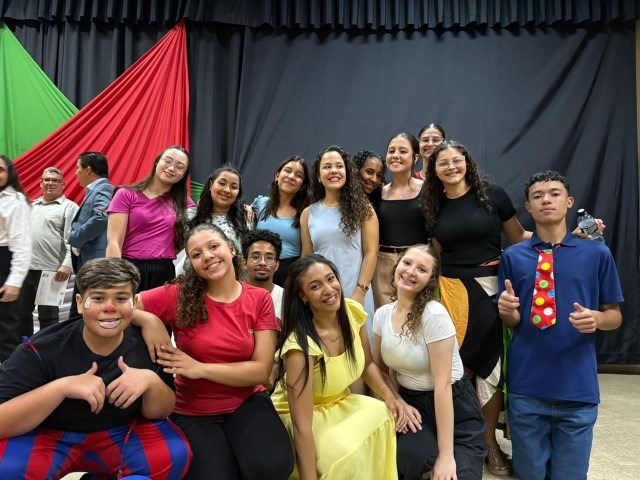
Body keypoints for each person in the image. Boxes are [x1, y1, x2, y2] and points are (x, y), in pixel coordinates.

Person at [0, 258, 192, 479]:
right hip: (49, 433)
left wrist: (151, 382)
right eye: (98, 298)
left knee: (173, 455)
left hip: (121, 433)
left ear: (134, 302)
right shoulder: (41, 349)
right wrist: (61, 388)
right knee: (7, 468)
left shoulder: (149, 344)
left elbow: (162, 411)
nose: (109, 308)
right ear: (80, 303)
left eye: (121, 298)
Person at [134, 223, 294, 480]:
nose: (207, 256)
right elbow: (121, 306)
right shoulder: (178, 295)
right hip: (193, 410)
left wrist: (199, 369)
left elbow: (260, 371)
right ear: (192, 264)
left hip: (246, 401)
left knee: (273, 467)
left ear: (231, 249)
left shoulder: (258, 299)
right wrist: (147, 320)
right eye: (197, 254)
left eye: (213, 246)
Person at [497, 170, 623, 480]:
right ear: (528, 207)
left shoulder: (597, 254)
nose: (546, 200)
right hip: (526, 386)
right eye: (537, 196)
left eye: (554, 193)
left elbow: (615, 315)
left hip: (577, 388)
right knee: (529, 473)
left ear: (569, 202)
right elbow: (513, 321)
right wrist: (507, 311)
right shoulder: (513, 257)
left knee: (571, 474)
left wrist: (597, 319)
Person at [420, 140, 530, 476]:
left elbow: (519, 236)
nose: (451, 167)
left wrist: (565, 237)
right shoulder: (433, 205)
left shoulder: (493, 195)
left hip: (491, 288)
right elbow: (435, 254)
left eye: (456, 160)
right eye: (443, 163)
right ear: (434, 171)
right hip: (450, 292)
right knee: (455, 369)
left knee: (491, 368)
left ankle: (489, 443)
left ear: (466, 162)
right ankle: (458, 441)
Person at [271, 254, 404, 480]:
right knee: (344, 451)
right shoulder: (300, 348)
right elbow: (302, 426)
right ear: (303, 296)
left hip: (338, 402)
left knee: (382, 414)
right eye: (315, 286)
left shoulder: (351, 313)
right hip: (303, 418)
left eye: (330, 278)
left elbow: (367, 365)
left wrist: (390, 397)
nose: (329, 289)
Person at [373, 244, 486, 480]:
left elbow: (443, 386)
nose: (411, 271)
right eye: (407, 263)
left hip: (454, 404)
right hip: (413, 402)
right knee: (409, 458)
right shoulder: (382, 315)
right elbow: (380, 371)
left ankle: (447, 452)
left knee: (457, 475)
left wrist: (446, 455)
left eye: (422, 269)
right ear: (397, 265)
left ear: (430, 280)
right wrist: (399, 402)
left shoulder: (434, 315)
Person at [300, 145, 378, 337]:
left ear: (347, 172)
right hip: (321, 294)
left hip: (355, 290)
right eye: (327, 167)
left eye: (339, 166)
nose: (334, 171)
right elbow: (306, 257)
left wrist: (360, 291)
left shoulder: (364, 209)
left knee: (360, 347)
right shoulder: (308, 213)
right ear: (319, 176)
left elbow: (371, 252)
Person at [106, 146, 195, 292]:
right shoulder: (126, 194)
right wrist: (115, 277)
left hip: (164, 272)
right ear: (157, 161)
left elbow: (193, 234)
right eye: (168, 161)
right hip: (129, 268)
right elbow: (114, 241)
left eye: (180, 167)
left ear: (184, 174)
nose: (171, 168)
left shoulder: (185, 203)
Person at [16, 167, 79, 336]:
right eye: (47, 180)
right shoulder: (31, 206)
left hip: (52, 271)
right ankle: (25, 347)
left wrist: (67, 264)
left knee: (48, 315)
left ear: (63, 184)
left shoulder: (69, 208)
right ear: (41, 183)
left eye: (55, 180)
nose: (50, 183)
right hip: (25, 269)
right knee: (21, 313)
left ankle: (47, 348)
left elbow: (73, 241)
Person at [373, 133, 429, 310]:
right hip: (382, 267)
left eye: (403, 151)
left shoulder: (427, 190)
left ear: (415, 158)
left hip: (416, 265)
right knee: (386, 318)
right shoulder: (377, 193)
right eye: (391, 151)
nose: (396, 155)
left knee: (417, 317)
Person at [68, 151, 114, 319]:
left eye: (77, 168)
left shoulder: (104, 188)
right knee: (80, 311)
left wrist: (76, 237)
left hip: (95, 260)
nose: (76, 173)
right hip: (88, 260)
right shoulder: (96, 190)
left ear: (88, 170)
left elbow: (102, 217)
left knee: (85, 311)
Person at [252, 156, 311, 285]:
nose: (291, 177)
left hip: (290, 276)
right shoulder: (261, 204)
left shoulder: (307, 212)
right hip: (260, 272)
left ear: (302, 185)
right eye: (287, 171)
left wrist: (297, 280)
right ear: (277, 176)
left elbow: (307, 253)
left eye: (299, 175)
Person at [0, 155, 31, 362]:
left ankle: (8, 374)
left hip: (4, 263)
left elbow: (22, 245)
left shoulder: (15, 201)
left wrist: (14, 281)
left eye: (1, 169)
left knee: (6, 327)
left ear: (9, 173)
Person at [190, 164, 252, 255]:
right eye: (222, 183)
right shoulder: (190, 215)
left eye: (234, 187)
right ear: (211, 185)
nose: (227, 190)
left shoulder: (246, 217)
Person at [241, 229, 284, 320]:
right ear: (244, 263)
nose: (262, 263)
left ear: (277, 265)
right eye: (256, 257)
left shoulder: (286, 299)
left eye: (269, 258)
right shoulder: (234, 296)